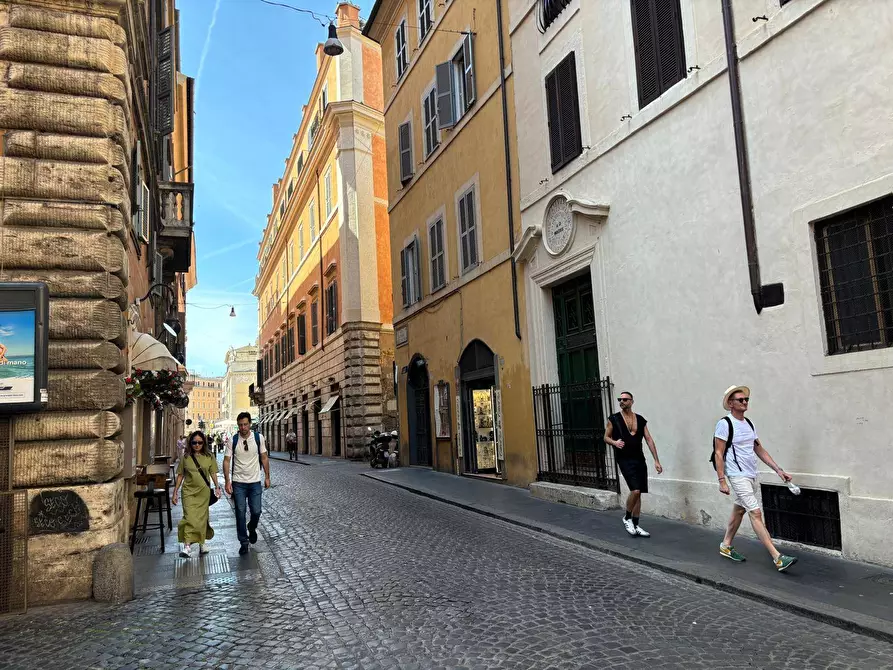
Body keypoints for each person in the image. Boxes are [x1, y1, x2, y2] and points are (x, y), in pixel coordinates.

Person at [714, 385, 797, 572]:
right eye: (740, 400)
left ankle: (726, 545)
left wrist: (779, 470)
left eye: (746, 400)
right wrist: (722, 480)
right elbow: (719, 453)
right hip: (737, 474)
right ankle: (777, 557)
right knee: (755, 512)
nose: (745, 402)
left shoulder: (749, 424)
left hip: (751, 474)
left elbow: (759, 449)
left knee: (740, 510)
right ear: (730, 404)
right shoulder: (725, 424)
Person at [604, 391, 663, 537]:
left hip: (639, 458)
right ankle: (627, 517)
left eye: (625, 399)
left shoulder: (640, 420)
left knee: (639, 493)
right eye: (620, 399)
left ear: (631, 401)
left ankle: (636, 525)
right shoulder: (614, 419)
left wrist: (656, 460)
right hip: (624, 459)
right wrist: (614, 442)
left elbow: (649, 439)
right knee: (635, 490)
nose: (621, 401)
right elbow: (606, 437)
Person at [223, 412, 271, 556]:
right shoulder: (233, 440)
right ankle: (243, 542)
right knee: (240, 513)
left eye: (245, 424)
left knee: (256, 511)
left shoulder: (258, 438)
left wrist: (267, 477)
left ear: (250, 424)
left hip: (255, 482)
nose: (243, 427)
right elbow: (226, 460)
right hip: (239, 483)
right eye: (240, 425)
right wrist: (227, 481)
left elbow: (264, 457)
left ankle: (252, 527)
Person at [171, 430, 220, 558]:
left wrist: (217, 487)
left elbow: (213, 473)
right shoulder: (185, 458)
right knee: (189, 518)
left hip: (203, 492)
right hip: (188, 492)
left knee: (202, 518)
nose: (197, 445)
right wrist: (175, 492)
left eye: (199, 442)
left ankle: (202, 542)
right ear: (190, 444)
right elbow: (180, 475)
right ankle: (187, 546)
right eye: (194, 443)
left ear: (203, 443)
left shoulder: (209, 457)